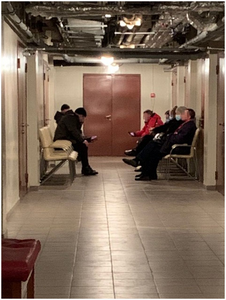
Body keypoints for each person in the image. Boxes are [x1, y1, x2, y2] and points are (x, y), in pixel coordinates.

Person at [123, 108, 197, 181]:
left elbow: (180, 138)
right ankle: (147, 172)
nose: (181, 115)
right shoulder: (185, 124)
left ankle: (144, 170)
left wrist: (168, 136)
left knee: (153, 150)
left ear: (189, 116)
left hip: (180, 147)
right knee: (153, 146)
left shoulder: (189, 126)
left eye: (183, 114)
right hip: (173, 145)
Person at [54, 107, 98, 176]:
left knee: (83, 145)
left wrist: (86, 139)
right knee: (83, 146)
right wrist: (83, 140)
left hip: (66, 139)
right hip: (62, 140)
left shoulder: (71, 118)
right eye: (83, 117)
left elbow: (77, 133)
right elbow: (73, 131)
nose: (83, 120)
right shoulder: (70, 118)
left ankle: (86, 168)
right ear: (80, 115)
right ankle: (86, 168)